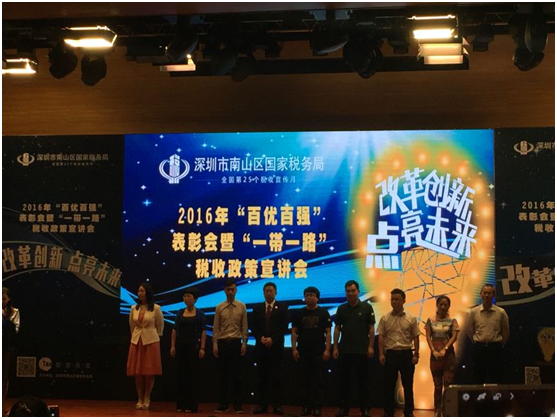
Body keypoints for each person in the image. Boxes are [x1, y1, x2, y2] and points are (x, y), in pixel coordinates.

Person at [333, 280, 375, 417]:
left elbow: (371, 328)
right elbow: (337, 328)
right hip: (345, 350)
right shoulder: (341, 308)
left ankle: (365, 409)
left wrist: (370, 346)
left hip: (362, 351)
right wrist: (335, 347)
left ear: (358, 292)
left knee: (363, 382)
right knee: (344, 381)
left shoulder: (367, 308)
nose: (350, 293)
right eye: (348, 291)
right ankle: (343, 409)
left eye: (353, 291)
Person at [378, 288, 420, 417]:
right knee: (389, 384)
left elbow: (416, 336)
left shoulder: (411, 318)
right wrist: (381, 354)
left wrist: (416, 354)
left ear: (404, 301)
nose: (394, 302)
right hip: (390, 354)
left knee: (408, 384)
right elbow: (381, 337)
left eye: (397, 299)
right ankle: (388, 411)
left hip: (406, 354)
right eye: (392, 299)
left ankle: (409, 411)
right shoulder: (385, 318)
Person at [291, 286, 331, 417]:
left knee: (318, 381)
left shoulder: (323, 313)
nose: (309, 297)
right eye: (307, 295)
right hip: (303, 351)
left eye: (312, 295)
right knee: (304, 381)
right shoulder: (299, 313)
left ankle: (317, 407)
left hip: (318, 352)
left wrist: (327, 349)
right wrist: (294, 349)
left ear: (317, 298)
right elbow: (294, 332)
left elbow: (328, 332)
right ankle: (306, 407)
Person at [251, 282, 289, 415]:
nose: (268, 293)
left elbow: (284, 326)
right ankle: (263, 405)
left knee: (276, 377)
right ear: (263, 293)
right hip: (261, 347)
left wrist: (273, 339)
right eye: (266, 291)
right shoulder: (257, 308)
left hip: (276, 348)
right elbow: (253, 326)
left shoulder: (283, 307)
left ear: (275, 292)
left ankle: (277, 405)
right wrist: (260, 338)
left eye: (271, 291)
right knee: (262, 377)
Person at [212, 279, 248, 413]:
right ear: (224, 291)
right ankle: (223, 404)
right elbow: (216, 327)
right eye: (228, 290)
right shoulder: (219, 307)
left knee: (237, 376)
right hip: (222, 343)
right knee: (223, 376)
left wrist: (244, 342)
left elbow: (244, 326)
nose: (230, 292)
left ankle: (237, 405)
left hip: (236, 343)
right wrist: (215, 344)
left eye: (233, 289)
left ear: (236, 290)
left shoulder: (242, 306)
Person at [126, 282, 164, 410]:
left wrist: (154, 336)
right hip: (137, 341)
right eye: (139, 291)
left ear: (147, 292)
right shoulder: (133, 308)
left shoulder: (156, 308)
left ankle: (147, 397)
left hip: (151, 341)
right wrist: (135, 337)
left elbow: (160, 326)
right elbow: (132, 326)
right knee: (138, 372)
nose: (140, 293)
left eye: (142, 291)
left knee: (149, 372)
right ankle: (140, 398)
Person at [170, 287, 207, 413]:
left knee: (193, 376)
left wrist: (202, 347)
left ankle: (192, 405)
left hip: (193, 347)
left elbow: (203, 331)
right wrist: (173, 346)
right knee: (181, 375)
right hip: (181, 346)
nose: (186, 299)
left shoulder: (200, 314)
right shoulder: (180, 312)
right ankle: (181, 404)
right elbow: (175, 330)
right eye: (185, 296)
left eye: (189, 296)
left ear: (195, 299)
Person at [467, 283, 510, 384]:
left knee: (496, 377)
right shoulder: (474, 312)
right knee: (477, 377)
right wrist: (476, 343)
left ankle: (495, 395)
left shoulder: (501, 312)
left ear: (493, 295)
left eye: (489, 293)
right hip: (479, 348)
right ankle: (478, 395)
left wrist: (499, 345)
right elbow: (470, 331)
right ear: (481, 294)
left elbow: (506, 332)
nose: (486, 295)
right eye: (484, 293)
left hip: (495, 349)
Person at [425, 295, 460, 417]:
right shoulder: (430, 320)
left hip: (448, 357)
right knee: (437, 385)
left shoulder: (453, 321)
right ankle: (437, 411)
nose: (443, 307)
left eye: (446, 305)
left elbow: (454, 337)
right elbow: (428, 336)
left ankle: (448, 411)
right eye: (441, 304)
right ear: (437, 305)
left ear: (449, 306)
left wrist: (445, 349)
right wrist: (433, 350)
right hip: (435, 357)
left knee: (448, 386)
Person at [3, 287, 20, 406]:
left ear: (8, 299)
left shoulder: (14, 311)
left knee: (3, 376)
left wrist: (4, 318)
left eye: (4, 299)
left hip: (5, 348)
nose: (1, 301)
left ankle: (1, 403)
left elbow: (16, 329)